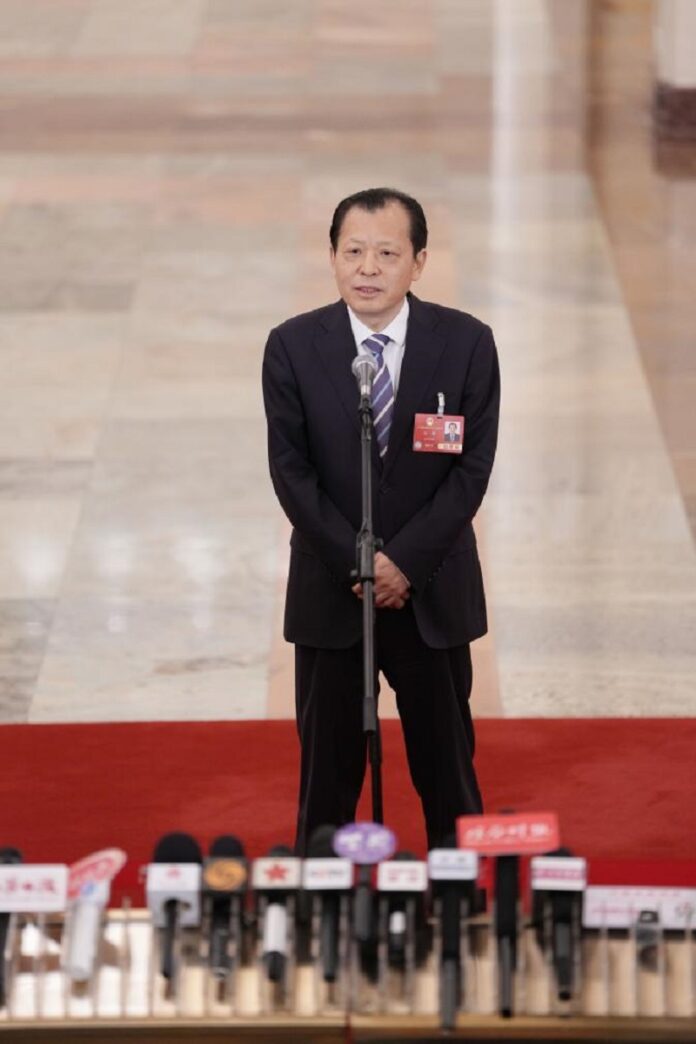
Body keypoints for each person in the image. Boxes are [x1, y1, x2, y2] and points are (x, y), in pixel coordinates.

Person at [262, 188, 500, 854]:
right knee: (327, 781)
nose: (368, 269)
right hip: (333, 592)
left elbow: (471, 470)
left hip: (431, 592)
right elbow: (291, 472)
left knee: (448, 772)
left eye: (387, 254)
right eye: (353, 252)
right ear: (333, 258)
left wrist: (405, 565)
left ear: (418, 262)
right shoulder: (293, 347)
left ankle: (459, 896)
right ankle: (325, 897)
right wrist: (360, 563)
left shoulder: (467, 343)